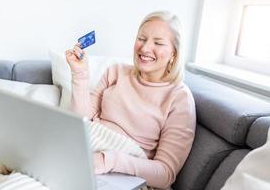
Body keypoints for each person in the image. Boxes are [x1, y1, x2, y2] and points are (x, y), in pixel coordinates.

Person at [65, 10, 196, 189]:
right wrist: (80, 74)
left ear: (174, 53)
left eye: (158, 42)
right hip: (86, 151)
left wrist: (108, 160)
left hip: (122, 173)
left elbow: (166, 174)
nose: (145, 48)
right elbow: (80, 121)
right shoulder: (116, 72)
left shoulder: (179, 98)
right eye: (141, 39)